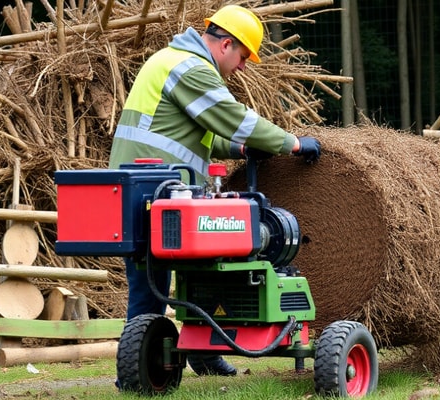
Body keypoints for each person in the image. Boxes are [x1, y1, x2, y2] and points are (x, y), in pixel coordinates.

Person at [108, 5, 320, 377]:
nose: (241, 66)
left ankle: (201, 354)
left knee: (197, 275)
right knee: (149, 292)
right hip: (153, 192)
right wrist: (292, 144)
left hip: (141, 190)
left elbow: (199, 134)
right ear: (226, 44)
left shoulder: (171, 60)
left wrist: (238, 149)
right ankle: (141, 375)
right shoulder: (191, 69)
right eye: (242, 57)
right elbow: (234, 118)